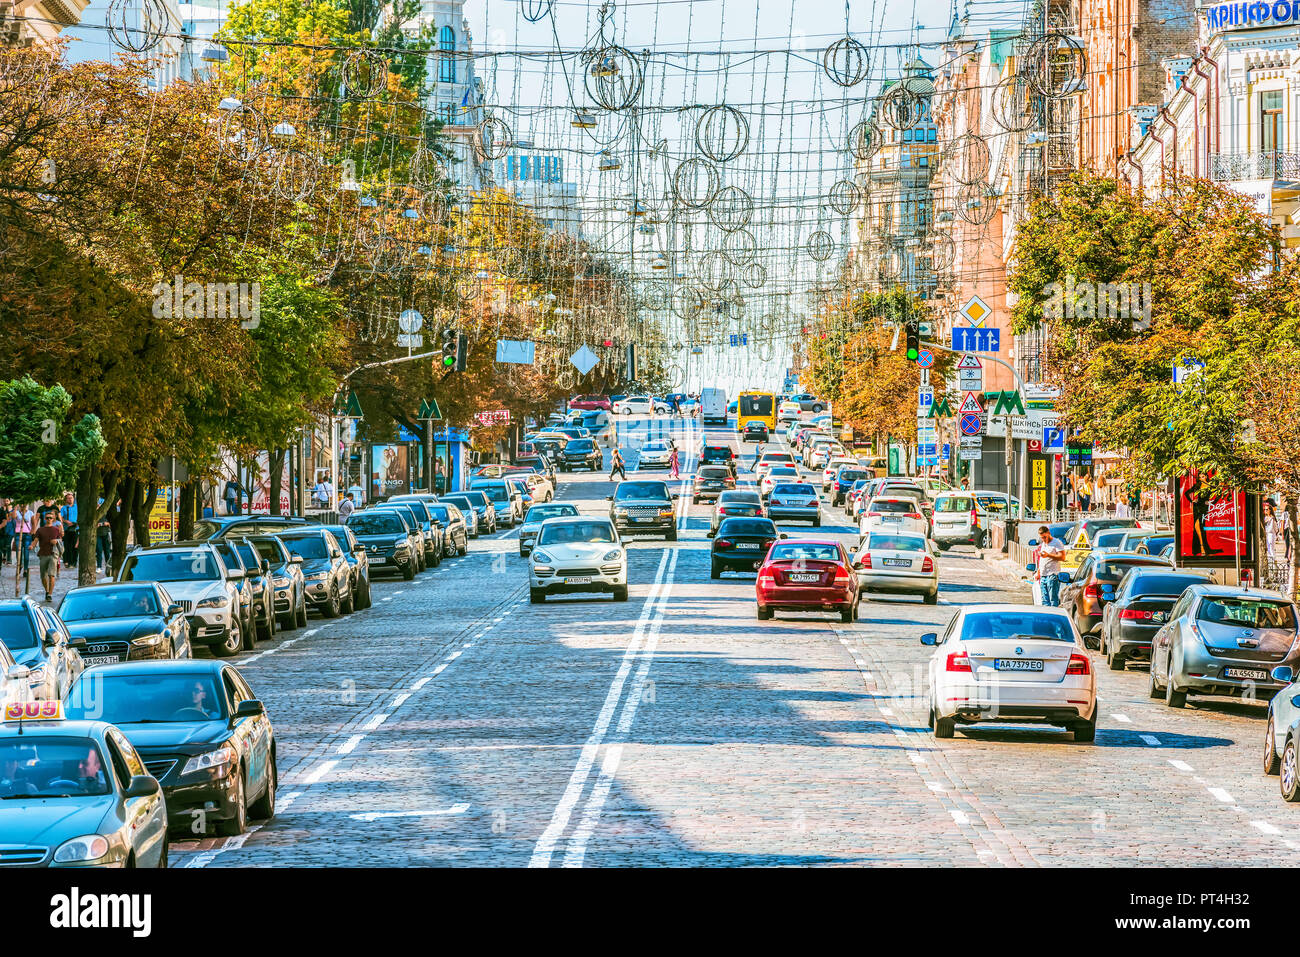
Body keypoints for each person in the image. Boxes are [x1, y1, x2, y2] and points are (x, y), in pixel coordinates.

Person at [31, 511, 63, 603]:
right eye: (47, 518)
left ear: (53, 519)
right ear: (45, 519)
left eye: (51, 518)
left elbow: (60, 540)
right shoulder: (40, 530)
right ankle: (46, 590)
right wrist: (32, 546)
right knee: (43, 576)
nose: (49, 519)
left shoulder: (56, 529)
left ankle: (50, 594)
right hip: (43, 554)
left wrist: (56, 541)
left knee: (51, 575)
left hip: (53, 554)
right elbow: (36, 540)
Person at [1036, 526, 1067, 606]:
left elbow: (1062, 557)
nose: (1044, 539)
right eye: (1042, 538)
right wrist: (1038, 572)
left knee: (1053, 601)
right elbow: (1042, 560)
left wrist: (1048, 555)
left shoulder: (1056, 542)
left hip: (1052, 575)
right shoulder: (1043, 544)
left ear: (1049, 533)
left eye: (1045, 537)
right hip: (1043, 575)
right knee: (1045, 601)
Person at [59, 492, 78, 570]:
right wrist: (67, 522)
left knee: (75, 546)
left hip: (76, 529)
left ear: (73, 499)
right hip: (67, 529)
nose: (70, 499)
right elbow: (61, 518)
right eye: (68, 498)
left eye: (71, 498)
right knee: (67, 546)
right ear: (66, 499)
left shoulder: (77, 507)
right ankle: (69, 562)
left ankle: (74, 562)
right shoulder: (64, 508)